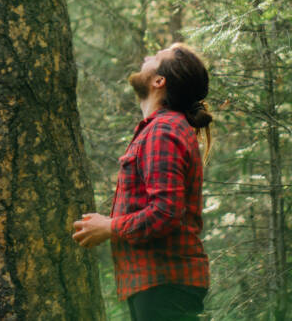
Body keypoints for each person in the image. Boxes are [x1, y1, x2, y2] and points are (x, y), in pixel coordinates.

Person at [72, 43, 212, 320]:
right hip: (160, 284)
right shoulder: (163, 128)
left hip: (164, 284)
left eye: (156, 57)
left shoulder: (163, 130)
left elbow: (165, 212)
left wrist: (110, 226)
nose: (147, 57)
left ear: (160, 81)